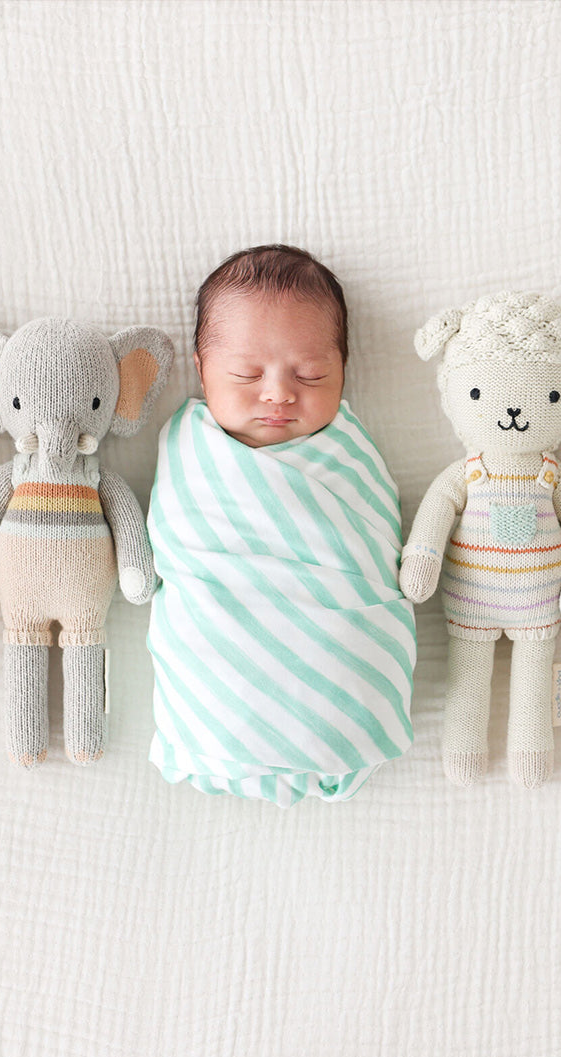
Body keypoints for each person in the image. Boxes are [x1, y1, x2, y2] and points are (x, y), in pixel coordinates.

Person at [146, 244, 416, 807]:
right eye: (246, 373)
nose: (279, 393)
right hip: (215, 666)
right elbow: (183, 554)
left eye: (312, 374)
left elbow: (372, 550)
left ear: (343, 368)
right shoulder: (192, 450)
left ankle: (333, 725)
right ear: (200, 368)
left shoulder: (350, 457)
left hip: (340, 657)